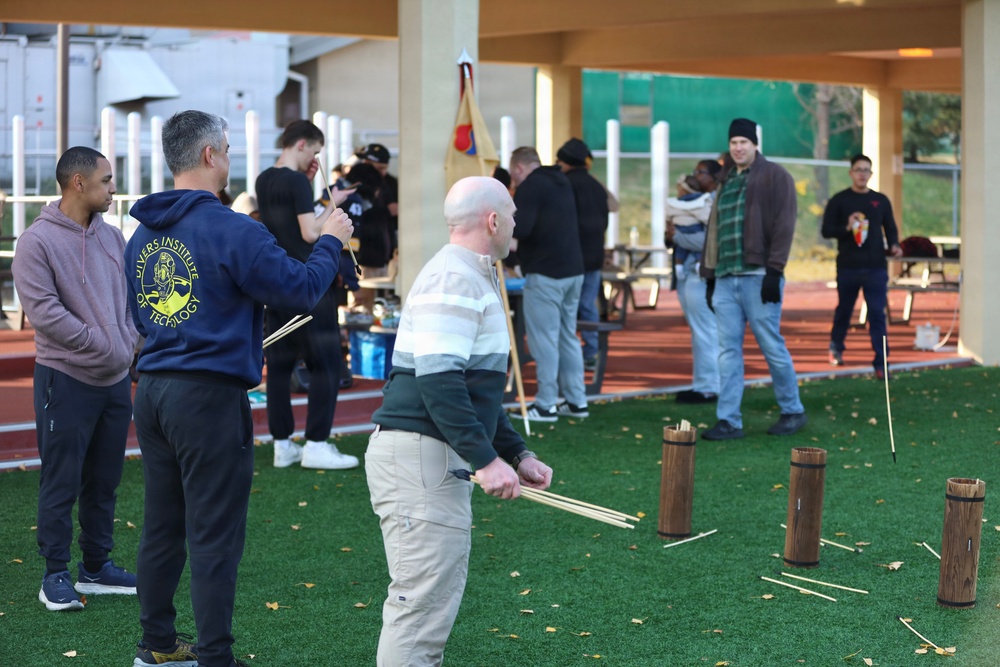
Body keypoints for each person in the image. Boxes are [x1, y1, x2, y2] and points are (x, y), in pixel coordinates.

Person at [124, 110, 354, 667]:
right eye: (226, 149)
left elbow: (138, 313)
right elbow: (299, 289)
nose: (230, 160)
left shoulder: (142, 233)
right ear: (209, 156)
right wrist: (329, 239)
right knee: (214, 534)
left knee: (163, 525)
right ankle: (215, 658)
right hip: (206, 396)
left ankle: (155, 646)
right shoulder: (232, 227)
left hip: (153, 390)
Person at [366, 176, 553, 667]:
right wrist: (487, 460)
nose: (515, 223)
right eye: (510, 213)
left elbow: (472, 391)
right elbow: (440, 380)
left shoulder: (470, 272)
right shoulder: (454, 276)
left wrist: (516, 453)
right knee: (420, 609)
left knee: (429, 605)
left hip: (428, 454)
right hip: (420, 456)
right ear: (493, 221)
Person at [12, 146, 139, 612]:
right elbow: (45, 314)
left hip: (114, 380)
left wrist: (126, 344)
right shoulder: (36, 242)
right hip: (64, 379)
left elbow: (128, 301)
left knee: (105, 480)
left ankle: (96, 566)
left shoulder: (113, 237)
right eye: (106, 180)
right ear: (78, 183)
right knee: (62, 480)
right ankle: (55, 574)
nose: (113, 188)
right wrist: (105, 345)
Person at [256, 120, 359, 470]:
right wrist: (334, 207)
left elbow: (287, 225)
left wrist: (315, 187)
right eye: (314, 150)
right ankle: (316, 443)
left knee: (281, 367)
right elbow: (311, 232)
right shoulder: (297, 180)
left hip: (276, 282)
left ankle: (282, 445)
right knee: (326, 363)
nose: (315, 157)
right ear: (301, 144)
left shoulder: (264, 179)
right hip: (309, 281)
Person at [699, 118, 807, 440]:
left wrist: (774, 271)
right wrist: (709, 277)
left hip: (759, 277)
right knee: (726, 351)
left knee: (771, 345)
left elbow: (785, 224)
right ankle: (729, 420)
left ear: (755, 144)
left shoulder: (775, 176)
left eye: (744, 142)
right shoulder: (726, 181)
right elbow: (714, 231)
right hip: (725, 278)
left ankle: (793, 410)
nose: (738, 147)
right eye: (734, 143)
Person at [509, 146, 589, 421]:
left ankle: (545, 404)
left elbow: (522, 228)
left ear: (519, 168)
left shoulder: (531, 186)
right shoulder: (561, 180)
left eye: (512, 175)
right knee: (567, 335)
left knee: (544, 340)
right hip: (573, 270)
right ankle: (577, 401)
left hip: (546, 273)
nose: (513, 181)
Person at [821, 154, 903, 378]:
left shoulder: (881, 200)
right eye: (858, 170)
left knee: (877, 313)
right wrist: (847, 227)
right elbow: (826, 231)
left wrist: (894, 245)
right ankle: (836, 347)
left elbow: (891, 228)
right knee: (844, 311)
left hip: (875, 267)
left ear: (871, 174)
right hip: (848, 267)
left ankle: (881, 361)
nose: (862, 174)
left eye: (866, 170)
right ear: (851, 173)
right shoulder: (839, 200)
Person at [665, 159, 722, 404]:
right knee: (702, 331)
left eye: (701, 172)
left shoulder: (713, 203)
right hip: (691, 272)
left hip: (701, 273)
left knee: (705, 330)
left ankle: (709, 386)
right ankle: (705, 384)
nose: (695, 175)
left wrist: (677, 236)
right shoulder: (699, 202)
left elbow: (709, 242)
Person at [556, 138, 609, 371]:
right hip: (594, 255)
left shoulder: (563, 184)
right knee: (588, 305)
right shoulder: (596, 186)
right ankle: (591, 352)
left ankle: (567, 354)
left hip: (570, 257)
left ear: (566, 162)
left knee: (565, 307)